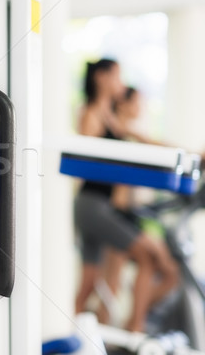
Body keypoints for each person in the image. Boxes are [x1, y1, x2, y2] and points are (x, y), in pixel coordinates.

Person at [74, 60, 178, 332]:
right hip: (93, 205)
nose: (120, 83)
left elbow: (147, 141)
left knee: (89, 283)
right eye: (116, 76)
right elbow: (88, 160)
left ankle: (88, 335)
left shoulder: (110, 117)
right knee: (146, 257)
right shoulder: (92, 113)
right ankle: (134, 328)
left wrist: (189, 153)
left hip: (100, 206)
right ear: (101, 77)